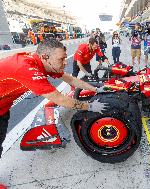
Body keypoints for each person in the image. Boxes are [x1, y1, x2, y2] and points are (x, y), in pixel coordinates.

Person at [0, 39, 109, 187]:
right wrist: (89, 106)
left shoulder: (42, 62)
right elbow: (60, 99)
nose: (65, 62)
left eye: (65, 58)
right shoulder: (27, 68)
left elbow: (70, 79)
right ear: (45, 56)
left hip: (3, 107)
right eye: (61, 59)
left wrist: (96, 89)